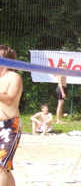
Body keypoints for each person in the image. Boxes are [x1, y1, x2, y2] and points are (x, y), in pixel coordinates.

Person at [0, 45, 23, 185]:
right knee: (5, 168)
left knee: (1, 167)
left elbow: (9, 100)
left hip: (10, 125)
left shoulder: (14, 77)